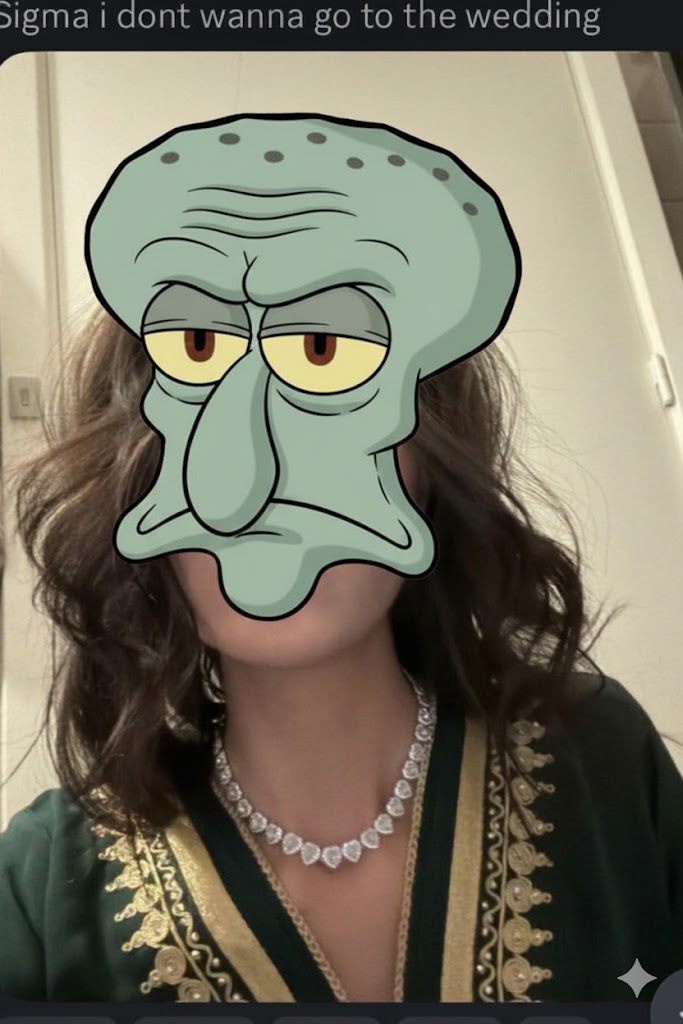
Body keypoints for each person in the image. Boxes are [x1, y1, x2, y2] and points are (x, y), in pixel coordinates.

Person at [0, 114, 682, 1006]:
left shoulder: (604, 762)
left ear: (430, 460)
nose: (253, 477)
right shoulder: (40, 890)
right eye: (198, 357)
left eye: (324, 355)